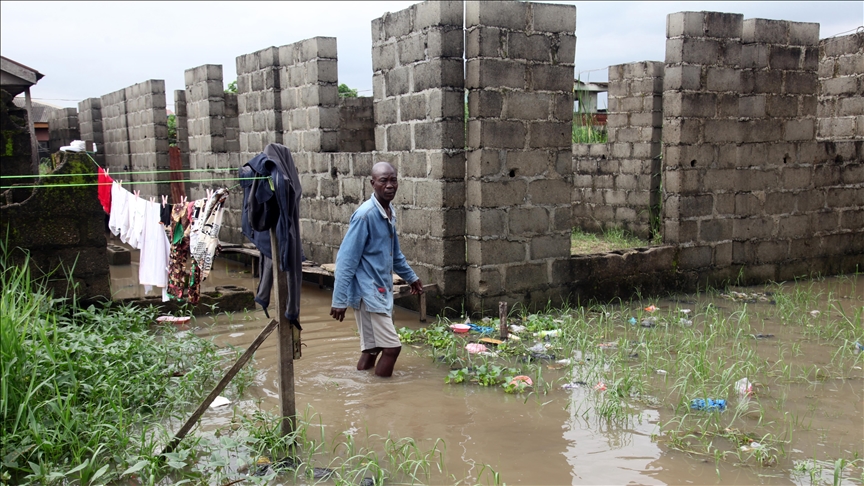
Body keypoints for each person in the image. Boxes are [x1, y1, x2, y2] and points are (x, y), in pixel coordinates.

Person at [330, 162, 424, 377]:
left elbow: (395, 254)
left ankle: (364, 389)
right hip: (369, 293)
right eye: (384, 181)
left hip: (380, 290)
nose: (389, 185)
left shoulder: (389, 212)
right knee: (392, 348)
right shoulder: (366, 215)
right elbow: (346, 261)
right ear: (373, 184)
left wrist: (412, 278)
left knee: (372, 350)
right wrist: (339, 299)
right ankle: (382, 398)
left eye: (393, 180)